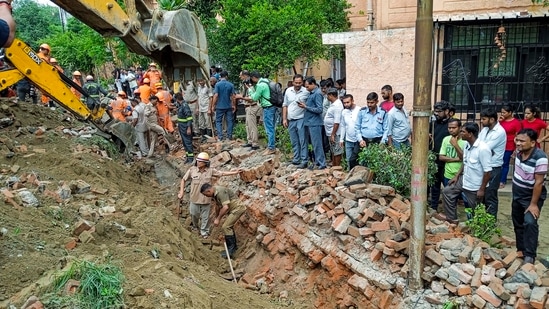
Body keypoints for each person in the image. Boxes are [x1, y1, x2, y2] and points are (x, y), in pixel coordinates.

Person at [178, 153, 241, 238]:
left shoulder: (210, 170)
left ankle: (204, 232)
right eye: (198, 160)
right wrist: (181, 191)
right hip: (194, 198)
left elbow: (221, 173)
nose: (198, 162)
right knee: (194, 214)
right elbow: (183, 180)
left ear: (205, 163)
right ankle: (195, 227)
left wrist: (235, 172)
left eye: (200, 161)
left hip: (206, 200)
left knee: (205, 218)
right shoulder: (192, 170)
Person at [439, 122, 492, 223]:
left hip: (475, 186)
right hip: (464, 179)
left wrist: (482, 189)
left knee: (473, 211)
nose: (461, 133)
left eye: (463, 132)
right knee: (447, 192)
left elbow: (488, 171)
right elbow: (465, 161)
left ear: (470, 134)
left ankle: (475, 233)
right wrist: (457, 175)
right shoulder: (468, 145)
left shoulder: (483, 149)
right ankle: (452, 220)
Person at [512, 128, 547, 265]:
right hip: (517, 194)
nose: (518, 143)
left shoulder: (540, 158)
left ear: (533, 143)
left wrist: (533, 204)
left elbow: (538, 183)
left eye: (522, 141)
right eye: (517, 140)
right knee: (518, 222)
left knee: (530, 222)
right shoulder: (519, 153)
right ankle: (521, 249)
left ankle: (530, 255)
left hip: (531, 196)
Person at [200, 183, 246, 258]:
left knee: (226, 227)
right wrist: (216, 217)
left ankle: (231, 251)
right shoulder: (214, 193)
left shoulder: (220, 192)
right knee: (228, 227)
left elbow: (225, 207)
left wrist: (218, 219)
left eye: (205, 194)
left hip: (238, 208)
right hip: (233, 209)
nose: (206, 196)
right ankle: (232, 248)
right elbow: (218, 206)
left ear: (208, 191)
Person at [478, 108, 506, 217]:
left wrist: (483, 148)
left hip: (494, 168)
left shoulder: (499, 132)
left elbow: (484, 148)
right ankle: (483, 220)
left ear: (492, 119)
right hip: (484, 165)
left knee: (490, 196)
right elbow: (478, 144)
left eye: (484, 119)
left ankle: (490, 224)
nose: (482, 121)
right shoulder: (485, 129)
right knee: (482, 195)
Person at [241, 71, 276, 155]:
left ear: (253, 78)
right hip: (272, 106)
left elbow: (254, 98)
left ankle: (271, 148)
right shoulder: (267, 81)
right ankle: (270, 146)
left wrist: (249, 90)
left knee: (269, 129)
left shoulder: (260, 85)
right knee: (271, 128)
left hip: (267, 107)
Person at [282, 74, 309, 167]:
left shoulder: (306, 91)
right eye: (296, 82)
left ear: (302, 82)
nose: (297, 84)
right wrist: (284, 118)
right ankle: (296, 159)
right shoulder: (288, 91)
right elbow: (285, 105)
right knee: (294, 140)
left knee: (303, 140)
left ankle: (304, 160)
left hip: (301, 118)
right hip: (291, 120)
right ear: (293, 82)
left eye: (299, 83)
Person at [429, 101, 451, 211]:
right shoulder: (432, 123)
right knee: (435, 186)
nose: (436, 114)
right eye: (435, 111)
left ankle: (449, 211)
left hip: (447, 161)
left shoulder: (451, 125)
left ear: (446, 111)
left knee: (448, 188)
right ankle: (433, 208)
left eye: (439, 111)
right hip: (434, 159)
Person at [302, 77, 326, 169]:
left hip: (315, 123)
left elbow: (319, 109)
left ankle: (321, 163)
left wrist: (306, 107)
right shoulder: (311, 93)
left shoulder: (317, 93)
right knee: (313, 145)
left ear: (313, 84)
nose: (306, 88)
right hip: (309, 122)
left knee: (317, 144)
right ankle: (317, 162)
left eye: (307, 86)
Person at [236, 70, 261, 150]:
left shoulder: (251, 85)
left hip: (252, 106)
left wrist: (240, 97)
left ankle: (255, 143)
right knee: (248, 126)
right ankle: (250, 141)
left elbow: (252, 98)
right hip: (247, 107)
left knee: (252, 126)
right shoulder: (245, 85)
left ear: (245, 75)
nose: (240, 77)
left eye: (241, 75)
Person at [499, 105, 522, 188]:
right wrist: (499, 121)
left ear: (510, 113)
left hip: (509, 146)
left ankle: (502, 180)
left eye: (504, 112)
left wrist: (516, 149)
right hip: (500, 145)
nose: (502, 114)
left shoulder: (516, 123)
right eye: (502, 112)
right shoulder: (501, 121)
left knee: (505, 163)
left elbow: (518, 135)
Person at [210, 71, 235, 141]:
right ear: (226, 76)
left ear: (220, 77)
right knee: (229, 121)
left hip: (220, 106)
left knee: (218, 122)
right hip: (228, 106)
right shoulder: (231, 85)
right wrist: (234, 105)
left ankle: (220, 137)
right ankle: (229, 136)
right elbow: (233, 96)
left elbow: (216, 95)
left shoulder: (217, 85)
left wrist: (213, 105)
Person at [339, 94, 361, 171]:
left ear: (352, 101)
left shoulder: (359, 110)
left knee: (357, 159)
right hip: (348, 139)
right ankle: (349, 173)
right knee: (348, 159)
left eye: (348, 102)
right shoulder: (344, 112)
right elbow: (343, 126)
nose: (346, 104)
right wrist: (341, 139)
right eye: (344, 103)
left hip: (358, 140)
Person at [324, 87, 343, 167]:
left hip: (335, 132)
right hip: (331, 132)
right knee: (333, 150)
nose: (327, 97)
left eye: (328, 96)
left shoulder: (337, 106)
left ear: (331, 95)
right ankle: (334, 166)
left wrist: (333, 134)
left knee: (337, 151)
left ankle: (337, 168)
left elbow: (336, 122)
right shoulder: (333, 104)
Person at [175, 92, 194, 164]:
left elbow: (189, 117)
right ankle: (188, 157)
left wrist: (189, 128)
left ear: (177, 99)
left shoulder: (184, 105)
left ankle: (191, 158)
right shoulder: (180, 105)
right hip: (182, 126)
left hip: (185, 126)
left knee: (188, 142)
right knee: (184, 142)